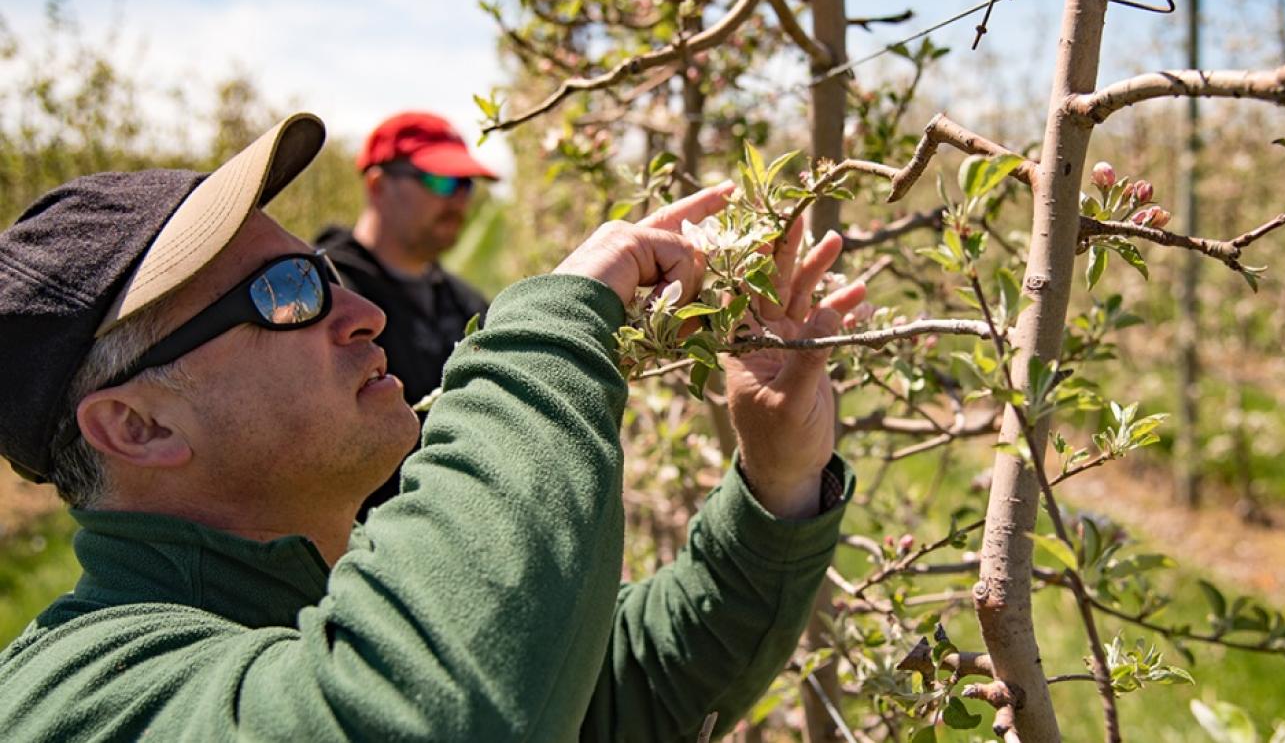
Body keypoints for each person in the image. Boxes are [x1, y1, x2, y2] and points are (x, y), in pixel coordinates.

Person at [0, 112, 865, 740]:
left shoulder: (316, 596)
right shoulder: (80, 698)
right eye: (285, 295)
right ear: (137, 425)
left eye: (323, 271)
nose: (365, 312)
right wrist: (555, 325)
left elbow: (620, 688)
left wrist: (776, 481)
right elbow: (439, 714)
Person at [316, 111, 497, 516]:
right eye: (439, 180)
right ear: (378, 184)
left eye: (465, 184)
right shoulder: (322, 296)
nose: (458, 198)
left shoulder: (469, 305)